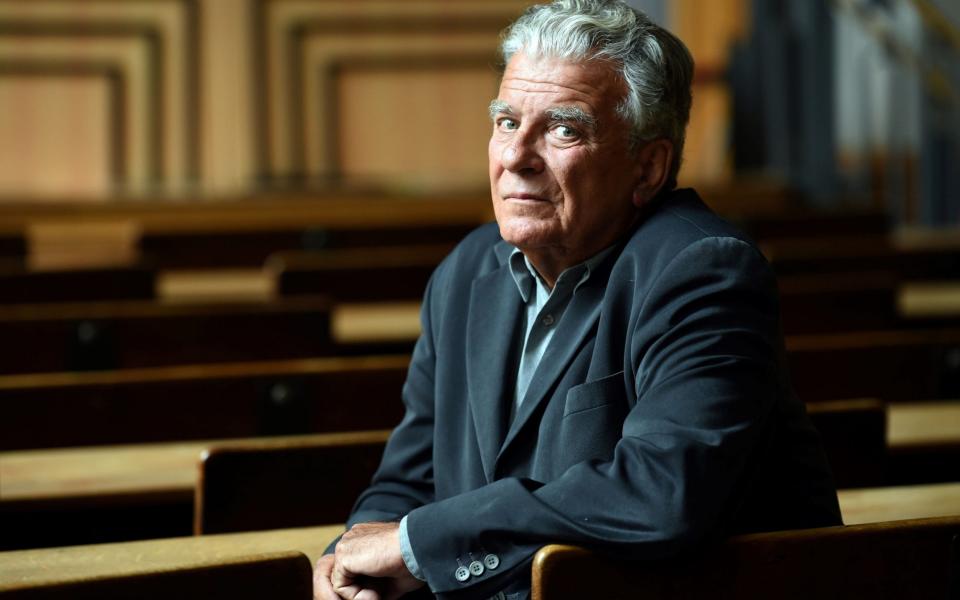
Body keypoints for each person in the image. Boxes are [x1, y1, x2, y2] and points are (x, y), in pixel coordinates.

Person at [314, 1, 841, 598]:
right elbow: (409, 481)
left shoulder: (703, 269)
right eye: (507, 122)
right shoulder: (465, 273)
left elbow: (661, 493)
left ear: (648, 167)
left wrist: (414, 545)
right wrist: (348, 561)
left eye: (564, 129)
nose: (516, 157)